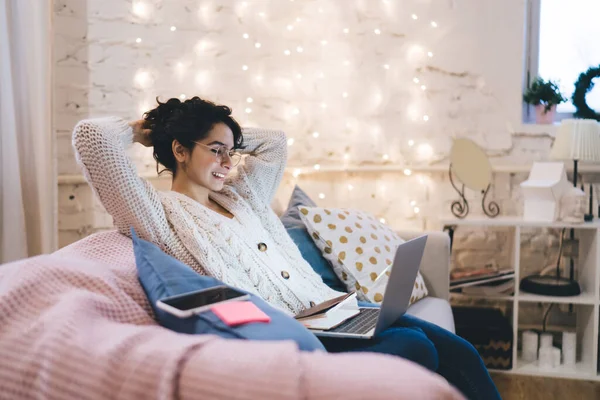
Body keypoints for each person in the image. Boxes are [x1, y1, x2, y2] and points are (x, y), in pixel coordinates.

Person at [72, 96, 501, 400]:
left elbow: (275, 141)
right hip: (297, 333)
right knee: (416, 347)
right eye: (216, 151)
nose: (227, 162)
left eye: (232, 152)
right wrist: (148, 130)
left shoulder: (242, 196)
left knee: (456, 349)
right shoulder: (155, 215)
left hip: (335, 311)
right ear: (180, 151)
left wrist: (221, 133)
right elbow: (92, 139)